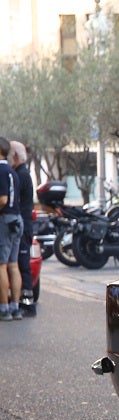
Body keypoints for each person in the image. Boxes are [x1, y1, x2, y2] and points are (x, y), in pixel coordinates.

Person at [10, 141, 34, 316]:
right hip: (24, 225)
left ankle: (27, 304)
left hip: (23, 227)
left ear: (16, 156)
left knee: (22, 265)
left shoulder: (21, 175)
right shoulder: (20, 174)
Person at [0, 137, 22, 321]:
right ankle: (16, 307)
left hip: (5, 220)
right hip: (17, 219)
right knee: (14, 266)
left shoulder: (0, 171)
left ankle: (4, 308)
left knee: (1, 265)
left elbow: (3, 199)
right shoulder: (13, 172)